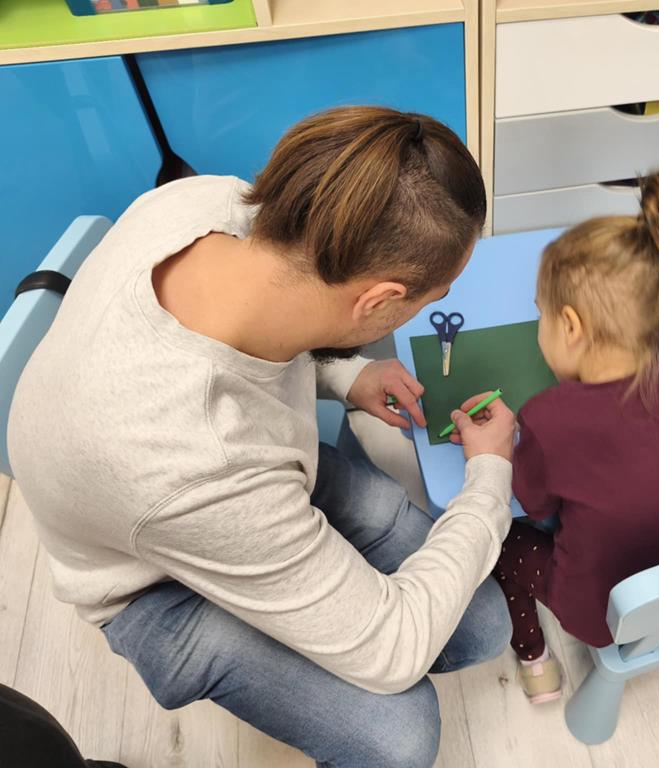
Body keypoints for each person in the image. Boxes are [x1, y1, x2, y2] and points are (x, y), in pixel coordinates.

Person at [8, 106, 517, 768]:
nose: (436, 304)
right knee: (400, 736)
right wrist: (490, 473)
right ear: (378, 301)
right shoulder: (199, 460)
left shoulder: (210, 203)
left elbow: (261, 332)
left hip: (227, 478)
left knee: (481, 626)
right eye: (434, 296)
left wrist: (347, 373)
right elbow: (392, 651)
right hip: (151, 579)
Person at [491, 169, 659, 703]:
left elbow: (534, 504)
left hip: (599, 614)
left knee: (498, 541)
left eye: (540, 316)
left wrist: (501, 446)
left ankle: (533, 657)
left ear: (570, 327)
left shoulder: (547, 417)